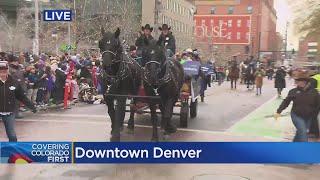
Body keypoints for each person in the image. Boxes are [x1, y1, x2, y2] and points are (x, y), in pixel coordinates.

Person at [275, 70, 320, 142]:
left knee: (300, 132)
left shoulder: (314, 92)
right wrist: (278, 111)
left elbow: (318, 105)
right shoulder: (293, 91)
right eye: (297, 81)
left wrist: (314, 115)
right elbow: (286, 102)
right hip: (296, 115)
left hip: (309, 116)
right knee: (303, 131)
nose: (297, 83)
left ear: (305, 81)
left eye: (299, 81)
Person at [0, 61, 37, 142]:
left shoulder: (14, 82)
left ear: (8, 71)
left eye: (4, 71)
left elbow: (22, 97)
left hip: (9, 111)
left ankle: (14, 151)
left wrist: (32, 106)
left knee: (12, 135)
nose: (2, 74)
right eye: (1, 72)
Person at [7, 54, 27, 118]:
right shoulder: (9, 68)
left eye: (17, 61)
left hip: (20, 86)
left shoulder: (19, 68)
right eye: (15, 61)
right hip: (12, 86)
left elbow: (23, 75)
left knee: (17, 101)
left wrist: (27, 71)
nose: (16, 62)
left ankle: (16, 113)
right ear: (11, 62)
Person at [308, 71, 320, 138]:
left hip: (317, 97)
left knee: (313, 115)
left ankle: (314, 133)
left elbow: (311, 90)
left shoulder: (314, 78)